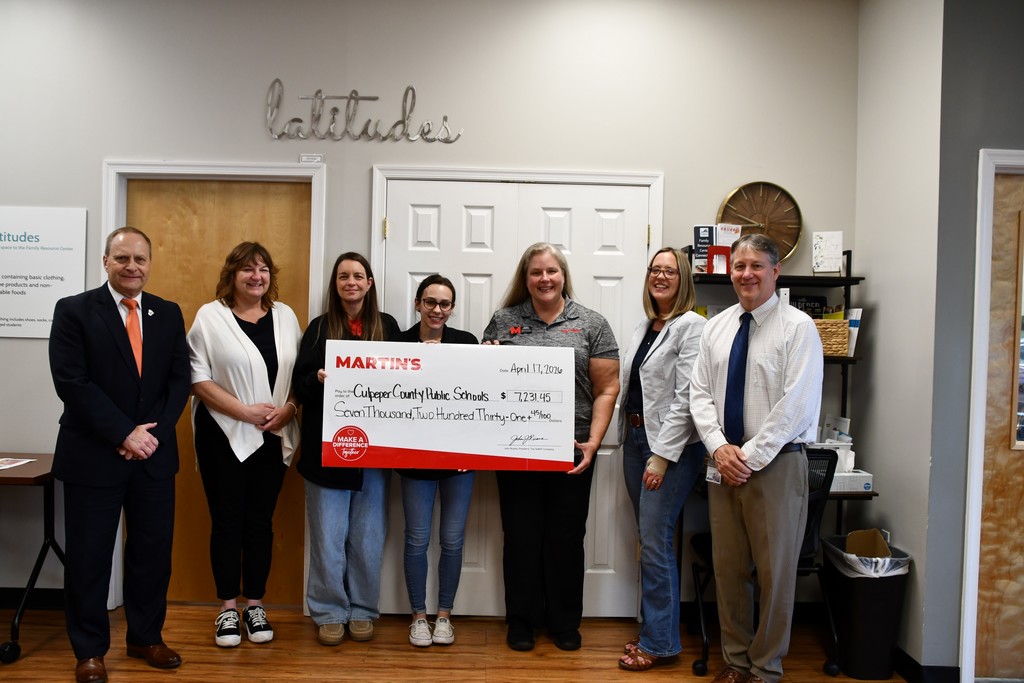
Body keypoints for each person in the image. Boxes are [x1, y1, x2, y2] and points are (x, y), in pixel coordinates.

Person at [48, 226, 190, 683]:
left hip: (152, 457)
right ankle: (89, 650)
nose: (133, 267)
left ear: (150, 263)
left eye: (140, 259)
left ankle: (146, 638)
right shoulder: (73, 311)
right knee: (89, 557)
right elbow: (72, 383)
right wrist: (124, 433)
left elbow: (178, 381)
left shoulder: (167, 313)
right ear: (105, 261)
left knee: (152, 553)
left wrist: (152, 435)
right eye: (123, 258)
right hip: (94, 454)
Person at [689, 233, 823, 683]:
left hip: (776, 464)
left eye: (756, 266)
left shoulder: (798, 328)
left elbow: (796, 403)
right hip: (722, 465)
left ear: (775, 271)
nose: (747, 274)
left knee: (775, 575)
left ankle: (765, 669)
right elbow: (700, 395)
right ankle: (736, 661)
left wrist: (746, 456)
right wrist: (717, 448)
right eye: (739, 266)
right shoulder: (717, 327)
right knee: (729, 571)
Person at [482, 242, 620, 652]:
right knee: (521, 536)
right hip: (514, 446)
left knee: (564, 537)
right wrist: (485, 360)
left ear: (563, 276)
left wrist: (593, 443)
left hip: (572, 448)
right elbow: (483, 386)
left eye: (551, 271)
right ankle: (521, 621)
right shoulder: (504, 321)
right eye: (536, 272)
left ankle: (564, 622)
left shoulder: (591, 323)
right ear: (525, 279)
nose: (544, 279)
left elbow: (607, 388)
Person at [186, 242, 301, 648]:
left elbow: (298, 374)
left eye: (264, 268)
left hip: (273, 435)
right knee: (226, 521)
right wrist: (245, 412)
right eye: (248, 269)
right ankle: (227, 609)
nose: (257, 276)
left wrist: (288, 408)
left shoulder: (286, 316)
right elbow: (198, 378)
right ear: (232, 274)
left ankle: (255, 603)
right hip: (224, 434)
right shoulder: (210, 316)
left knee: (260, 522)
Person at [292, 251, 400, 646]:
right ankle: (329, 610)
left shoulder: (387, 327)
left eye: (358, 276)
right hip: (327, 452)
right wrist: (319, 379)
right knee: (328, 536)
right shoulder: (319, 329)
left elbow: (413, 377)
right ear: (335, 284)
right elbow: (298, 387)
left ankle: (364, 609)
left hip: (374, 453)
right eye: (343, 276)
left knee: (369, 536)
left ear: (369, 283)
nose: (350, 282)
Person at [617, 247, 706, 671]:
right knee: (650, 541)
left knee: (655, 544)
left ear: (683, 278)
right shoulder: (646, 326)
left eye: (670, 271)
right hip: (634, 439)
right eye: (655, 269)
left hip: (668, 450)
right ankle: (659, 629)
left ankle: (659, 643)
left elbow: (687, 398)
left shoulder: (692, 327)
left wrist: (662, 457)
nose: (660, 276)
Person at [395, 274, 479, 647]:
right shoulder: (397, 344)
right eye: (430, 302)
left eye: (445, 304)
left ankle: (444, 616)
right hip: (415, 460)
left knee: (452, 540)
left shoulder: (468, 343)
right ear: (417, 303)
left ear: (452, 308)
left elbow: (482, 394)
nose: (437, 310)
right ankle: (418, 617)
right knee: (416, 539)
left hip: (459, 460)